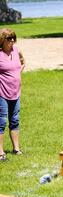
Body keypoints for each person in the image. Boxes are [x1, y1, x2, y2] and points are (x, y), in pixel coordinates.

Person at [0, 29, 26, 161]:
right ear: (2, 40)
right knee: (1, 121)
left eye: (13, 38)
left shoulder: (16, 50)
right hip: (2, 93)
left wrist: (17, 74)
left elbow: (23, 62)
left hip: (15, 92)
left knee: (15, 120)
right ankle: (0, 152)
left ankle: (16, 149)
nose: (12, 41)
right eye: (9, 38)